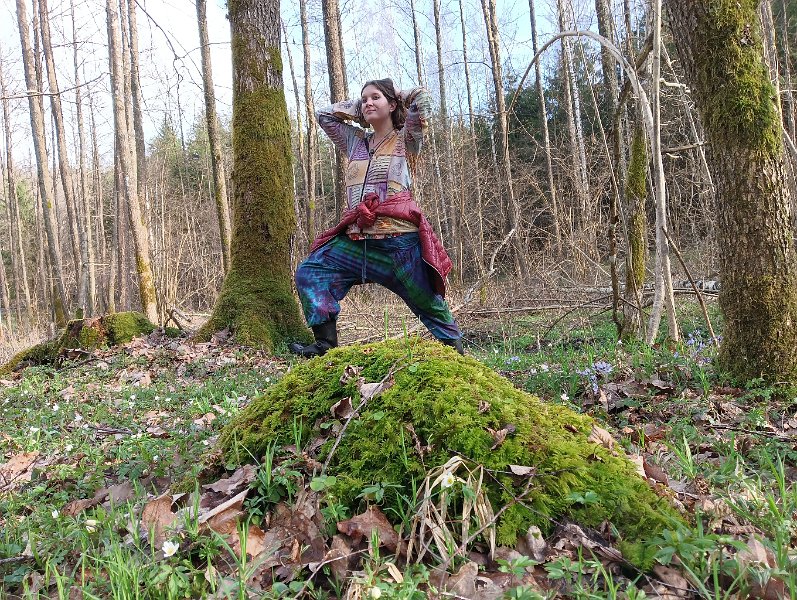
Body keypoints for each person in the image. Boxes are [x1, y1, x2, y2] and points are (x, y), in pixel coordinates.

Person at [289, 78, 463, 357]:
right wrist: (360, 109)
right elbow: (323, 115)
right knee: (312, 271)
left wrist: (396, 95)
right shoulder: (355, 142)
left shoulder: (407, 138)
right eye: (364, 99)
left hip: (399, 244)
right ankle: (324, 345)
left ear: (392, 104)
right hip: (358, 243)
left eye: (375, 97)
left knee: (429, 304)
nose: (368, 102)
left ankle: (457, 357)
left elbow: (423, 100)